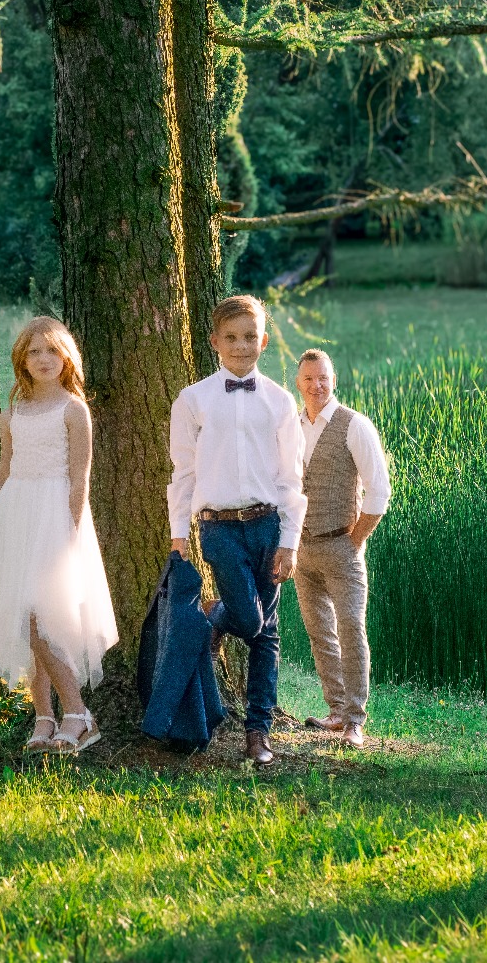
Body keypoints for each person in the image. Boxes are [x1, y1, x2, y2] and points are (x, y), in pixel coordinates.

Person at [0, 317, 118, 754]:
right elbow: (5, 470)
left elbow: (79, 480)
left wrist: (69, 533)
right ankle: (44, 715)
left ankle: (79, 713)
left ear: (66, 357)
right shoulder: (11, 413)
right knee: (23, 614)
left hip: (56, 517)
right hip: (16, 513)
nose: (44, 359)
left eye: (52, 350)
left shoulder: (74, 409)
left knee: (39, 617)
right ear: (21, 360)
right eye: (34, 352)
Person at [168, 294, 307, 766]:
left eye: (250, 337)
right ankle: (218, 618)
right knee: (251, 620)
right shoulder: (193, 400)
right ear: (214, 343)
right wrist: (178, 531)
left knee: (267, 633)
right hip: (218, 529)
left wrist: (290, 540)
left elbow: (291, 479)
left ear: (264, 341)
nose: (241, 346)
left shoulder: (280, 401)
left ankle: (258, 732)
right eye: (231, 338)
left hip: (268, 523)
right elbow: (183, 471)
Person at [292, 349, 391, 750]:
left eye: (324, 378)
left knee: (351, 629)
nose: (317, 385)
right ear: (298, 383)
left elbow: (379, 492)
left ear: (334, 381)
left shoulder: (354, 425)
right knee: (319, 632)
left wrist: (355, 540)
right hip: (302, 549)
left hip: (341, 547)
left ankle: (355, 720)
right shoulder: (293, 425)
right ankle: (335, 710)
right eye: (309, 379)